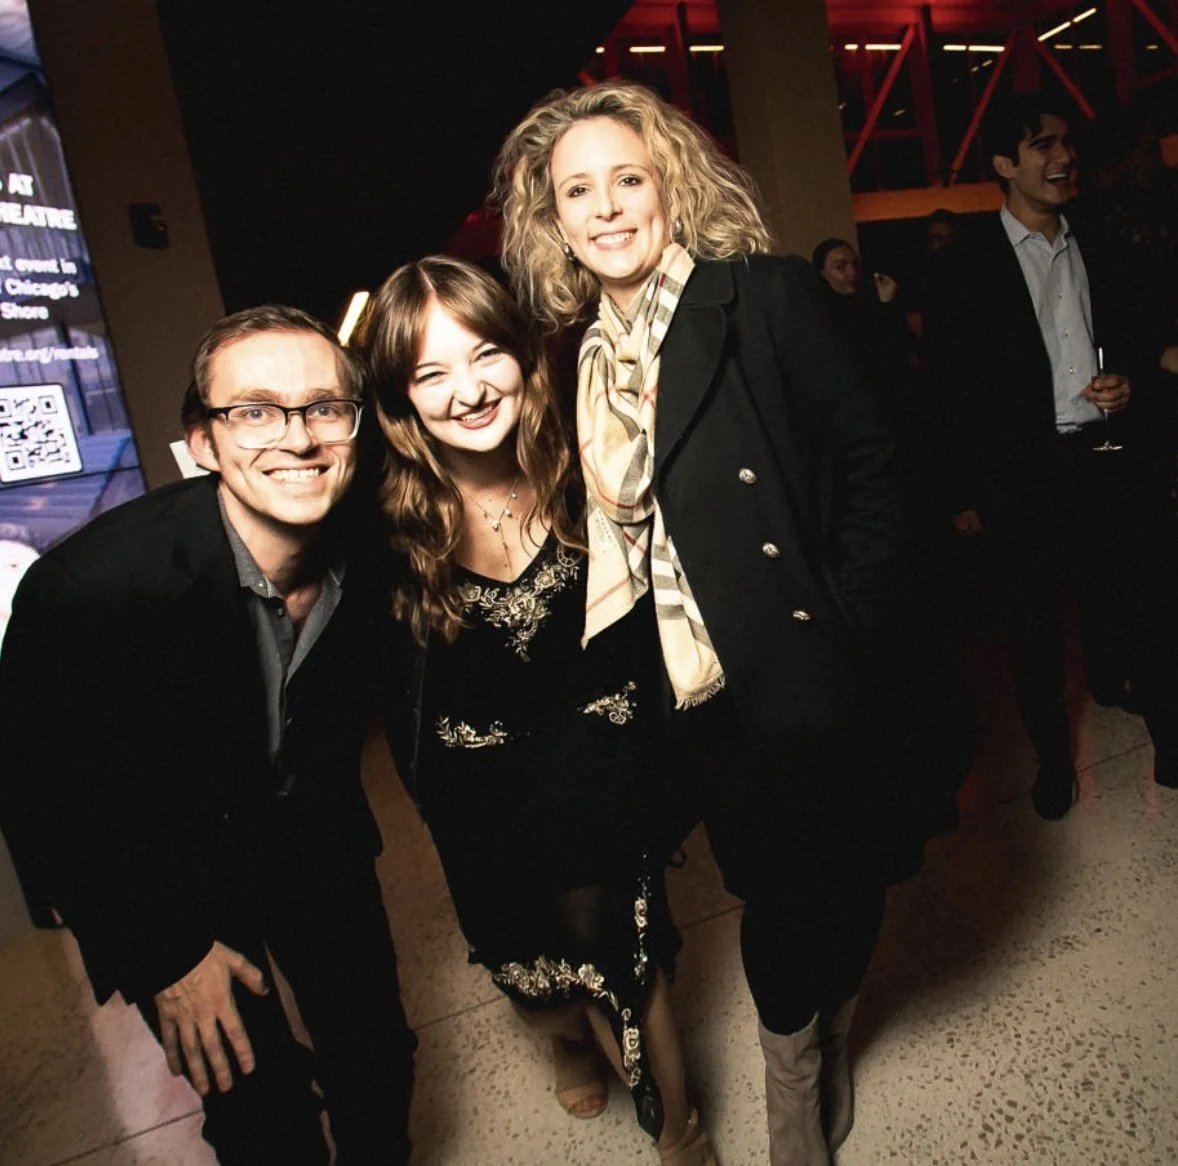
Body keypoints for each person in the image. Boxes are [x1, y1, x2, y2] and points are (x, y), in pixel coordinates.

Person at [494, 82, 907, 1166]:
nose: (606, 208)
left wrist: (846, 629)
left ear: (670, 185)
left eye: (626, 178)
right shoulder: (575, 357)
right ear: (553, 219)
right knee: (774, 889)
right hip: (692, 688)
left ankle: (822, 1047)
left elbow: (873, 465)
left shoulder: (758, 296)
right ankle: (797, 1076)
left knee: (846, 875)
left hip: (804, 659)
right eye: (575, 190)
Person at [0, 306, 417, 1165]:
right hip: (169, 879)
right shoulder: (89, 593)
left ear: (354, 425)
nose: (296, 438)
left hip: (313, 839)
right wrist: (165, 956)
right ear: (200, 441)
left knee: (377, 1057)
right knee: (256, 1109)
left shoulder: (377, 548)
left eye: (323, 408)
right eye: (255, 411)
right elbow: (42, 803)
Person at [363, 256, 714, 1165]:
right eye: (430, 374)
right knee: (536, 979)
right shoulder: (377, 522)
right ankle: (561, 1035)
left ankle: (682, 1137)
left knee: (623, 967)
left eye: (485, 356)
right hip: (478, 796)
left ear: (523, 356)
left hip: (601, 769)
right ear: (399, 400)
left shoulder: (591, 464)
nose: (469, 390)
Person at [924, 92, 1178, 818]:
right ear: (1005, 163)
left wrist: (1126, 380)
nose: (1063, 157)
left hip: (1106, 455)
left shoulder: (1099, 241)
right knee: (1034, 630)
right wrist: (962, 495)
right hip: (1023, 474)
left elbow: (1129, 332)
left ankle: (1168, 736)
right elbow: (950, 393)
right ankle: (1053, 764)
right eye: (1042, 145)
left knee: (1144, 599)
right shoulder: (966, 265)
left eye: (1065, 142)